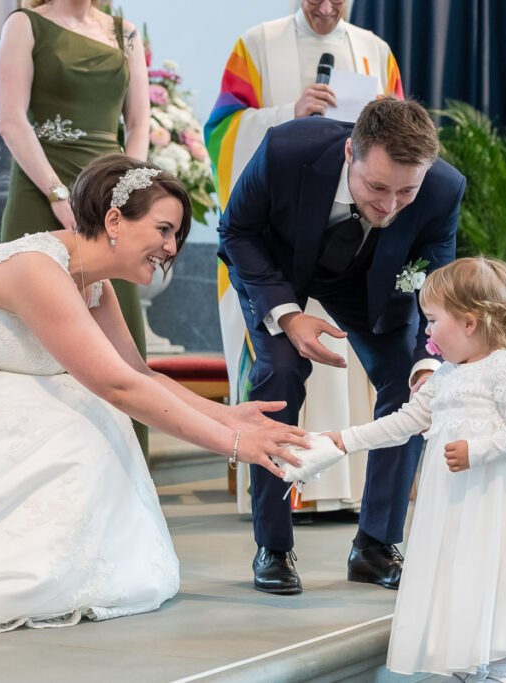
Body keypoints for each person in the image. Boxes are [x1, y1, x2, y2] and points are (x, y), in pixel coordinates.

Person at [0, 155, 305, 638]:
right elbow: (118, 386)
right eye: (164, 230)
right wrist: (233, 445)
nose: (172, 247)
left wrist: (231, 416)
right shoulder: (36, 268)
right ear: (114, 219)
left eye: (176, 234)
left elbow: (137, 373)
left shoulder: (94, 285)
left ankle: (46, 563)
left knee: (84, 407)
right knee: (83, 409)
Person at [218, 98, 466, 594]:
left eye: (405, 191)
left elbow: (437, 286)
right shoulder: (287, 150)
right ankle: (273, 545)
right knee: (279, 378)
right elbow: (237, 230)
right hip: (280, 269)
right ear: (351, 151)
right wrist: (288, 315)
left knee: (412, 385)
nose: (390, 206)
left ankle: (376, 545)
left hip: (374, 283)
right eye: (377, 187)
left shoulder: (443, 188)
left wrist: (426, 363)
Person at [318, 258, 506, 682]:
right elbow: (405, 422)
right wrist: (344, 440)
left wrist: (478, 450)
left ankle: (504, 667)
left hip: (493, 502)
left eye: (432, 320)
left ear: (469, 323)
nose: (426, 332)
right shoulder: (446, 375)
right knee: (458, 572)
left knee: (493, 571)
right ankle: (465, 660)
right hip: (452, 503)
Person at [205, 0, 405, 515]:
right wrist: (286, 118)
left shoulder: (375, 52)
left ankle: (350, 489)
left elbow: (402, 142)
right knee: (280, 365)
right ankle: (280, 496)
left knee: (352, 364)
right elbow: (221, 132)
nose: (326, 6)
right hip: (277, 243)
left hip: (351, 240)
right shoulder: (256, 44)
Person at [0, 0, 153, 454]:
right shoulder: (25, 25)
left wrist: (130, 188)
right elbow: (10, 119)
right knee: (32, 337)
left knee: (116, 339)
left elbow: (138, 122)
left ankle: (120, 469)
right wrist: (57, 193)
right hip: (41, 188)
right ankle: (26, 462)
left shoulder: (125, 33)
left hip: (110, 199)